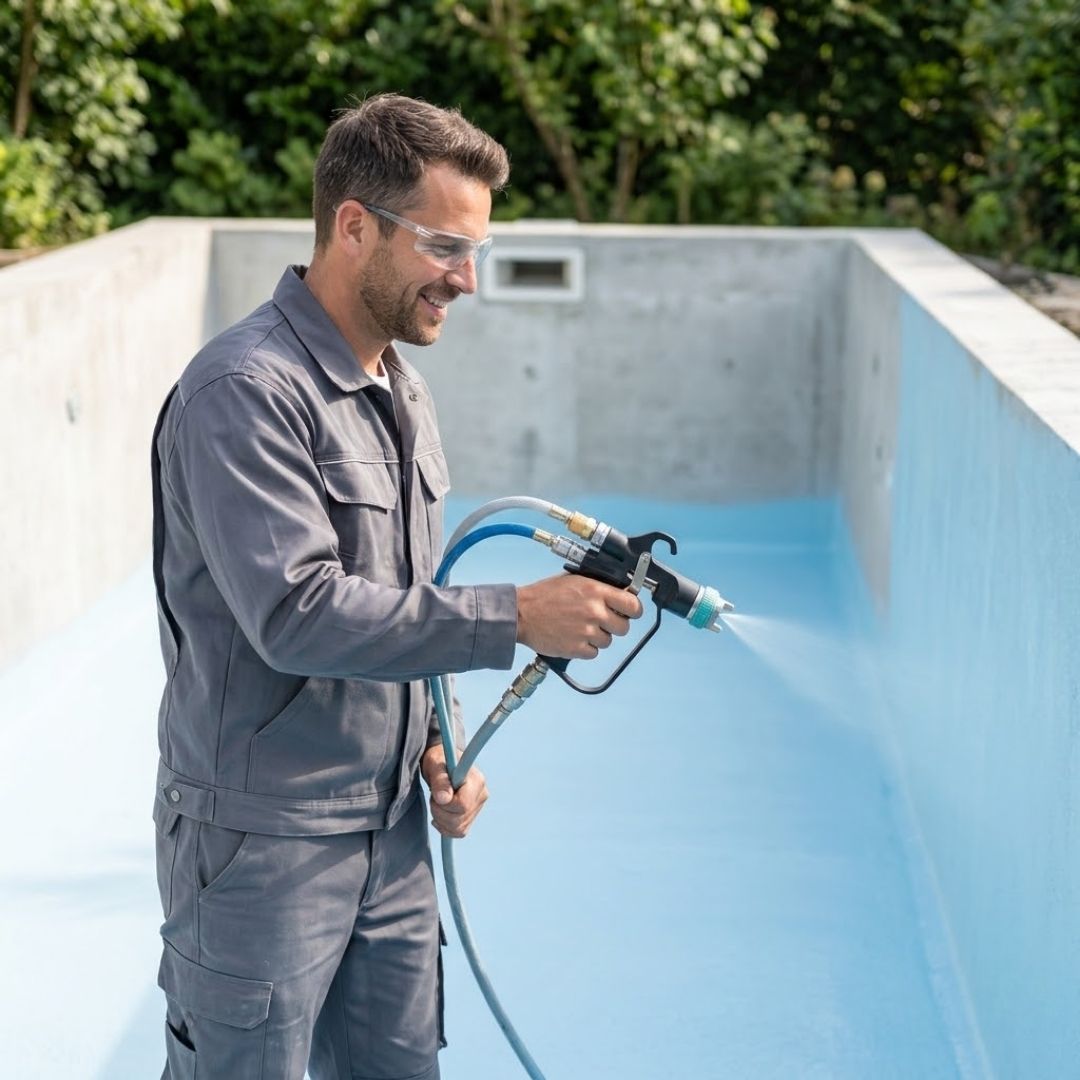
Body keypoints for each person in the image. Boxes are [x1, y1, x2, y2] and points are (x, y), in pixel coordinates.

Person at [150, 93, 641, 1080]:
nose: (467, 279)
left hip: (393, 837)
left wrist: (435, 742)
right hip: (262, 848)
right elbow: (298, 613)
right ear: (354, 226)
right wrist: (515, 616)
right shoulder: (244, 393)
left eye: (477, 251)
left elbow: (403, 592)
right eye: (444, 247)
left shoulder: (399, 389)